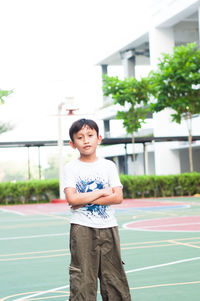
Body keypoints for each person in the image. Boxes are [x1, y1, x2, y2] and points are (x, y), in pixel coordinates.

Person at [63, 118, 131, 301]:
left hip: (109, 227)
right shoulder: (71, 168)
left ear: (99, 138)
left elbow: (117, 197)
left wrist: (83, 198)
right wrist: (102, 192)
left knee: (114, 277)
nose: (86, 140)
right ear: (72, 143)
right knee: (83, 279)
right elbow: (72, 199)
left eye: (90, 135)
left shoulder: (109, 166)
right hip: (82, 228)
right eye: (80, 137)